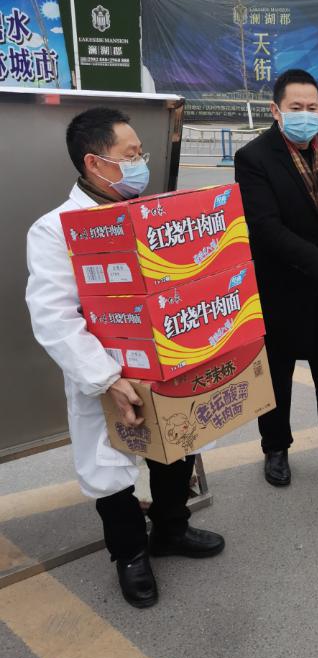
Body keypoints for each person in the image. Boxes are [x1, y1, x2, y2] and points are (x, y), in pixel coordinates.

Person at [26, 107, 225, 608]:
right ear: (95, 163)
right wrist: (106, 378)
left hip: (168, 361)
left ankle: (172, 528)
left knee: (177, 443)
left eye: (142, 154)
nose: (141, 164)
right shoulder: (56, 230)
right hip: (108, 372)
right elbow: (53, 317)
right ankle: (131, 554)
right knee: (109, 468)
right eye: (131, 155)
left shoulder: (154, 214)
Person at [234, 68, 318, 493]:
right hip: (278, 289)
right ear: (276, 110)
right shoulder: (253, 157)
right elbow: (264, 227)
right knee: (275, 379)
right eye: (296, 107)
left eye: (313, 107)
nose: (306, 114)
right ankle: (275, 448)